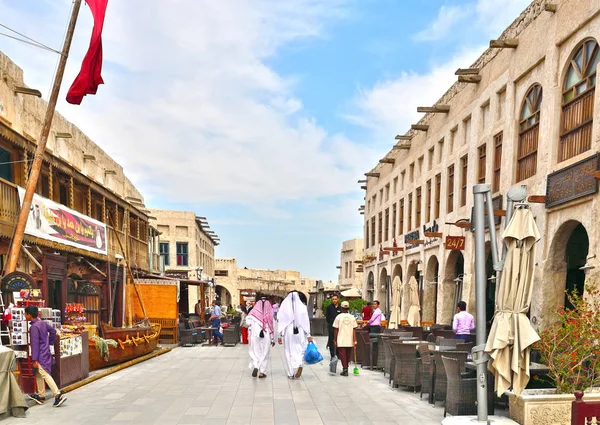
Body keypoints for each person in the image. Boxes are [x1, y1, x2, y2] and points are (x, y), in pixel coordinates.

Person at [25, 306, 66, 407]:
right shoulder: (42, 323)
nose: (25, 316)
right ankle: (41, 395)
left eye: (25, 314)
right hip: (45, 352)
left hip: (39, 355)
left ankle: (58, 395)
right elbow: (53, 331)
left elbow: (34, 344)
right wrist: (49, 343)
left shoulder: (34, 327)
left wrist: (34, 359)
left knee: (44, 374)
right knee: (38, 373)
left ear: (29, 315)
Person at [278, 291, 313, 379]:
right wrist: (308, 334)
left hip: (288, 331)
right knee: (300, 349)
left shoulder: (284, 308)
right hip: (299, 331)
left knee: (288, 351)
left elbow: (281, 321)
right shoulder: (302, 307)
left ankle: (291, 373)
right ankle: (299, 364)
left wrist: (279, 335)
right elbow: (306, 321)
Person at [247, 298, 275, 378]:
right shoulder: (270, 314)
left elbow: (247, 323)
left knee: (256, 352)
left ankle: (256, 365)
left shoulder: (252, 314)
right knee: (265, 353)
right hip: (266, 335)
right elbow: (272, 327)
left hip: (255, 335)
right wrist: (273, 339)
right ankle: (262, 372)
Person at [333, 301, 358, 376]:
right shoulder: (352, 317)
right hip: (349, 338)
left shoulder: (338, 317)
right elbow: (354, 329)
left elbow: (336, 329)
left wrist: (335, 339)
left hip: (341, 338)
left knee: (342, 355)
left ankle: (345, 369)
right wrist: (355, 339)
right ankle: (346, 367)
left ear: (341, 308)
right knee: (347, 355)